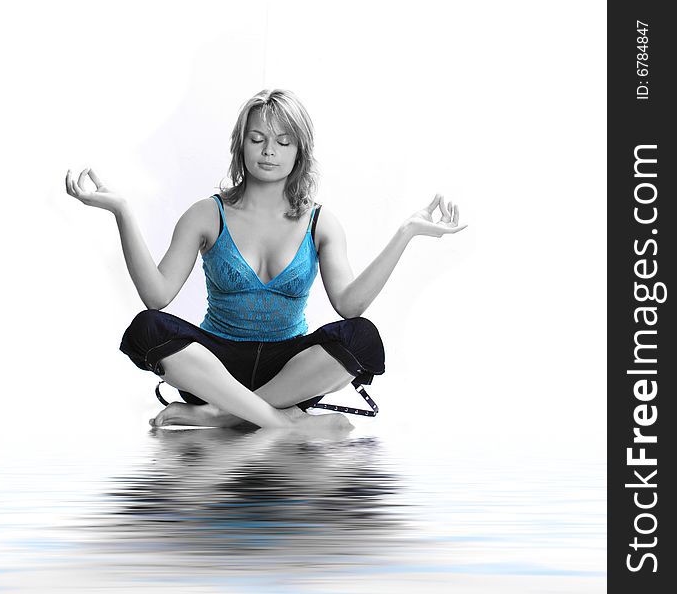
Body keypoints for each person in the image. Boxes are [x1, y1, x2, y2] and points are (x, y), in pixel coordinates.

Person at [64, 89, 466, 432]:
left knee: (362, 337)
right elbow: (157, 296)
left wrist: (406, 232)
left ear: (300, 151)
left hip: (289, 371)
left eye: (283, 141)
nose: (269, 151)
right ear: (241, 144)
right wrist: (122, 211)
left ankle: (221, 418)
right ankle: (281, 422)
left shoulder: (320, 221)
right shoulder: (208, 213)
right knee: (146, 327)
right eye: (257, 139)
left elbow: (349, 304)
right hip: (213, 367)